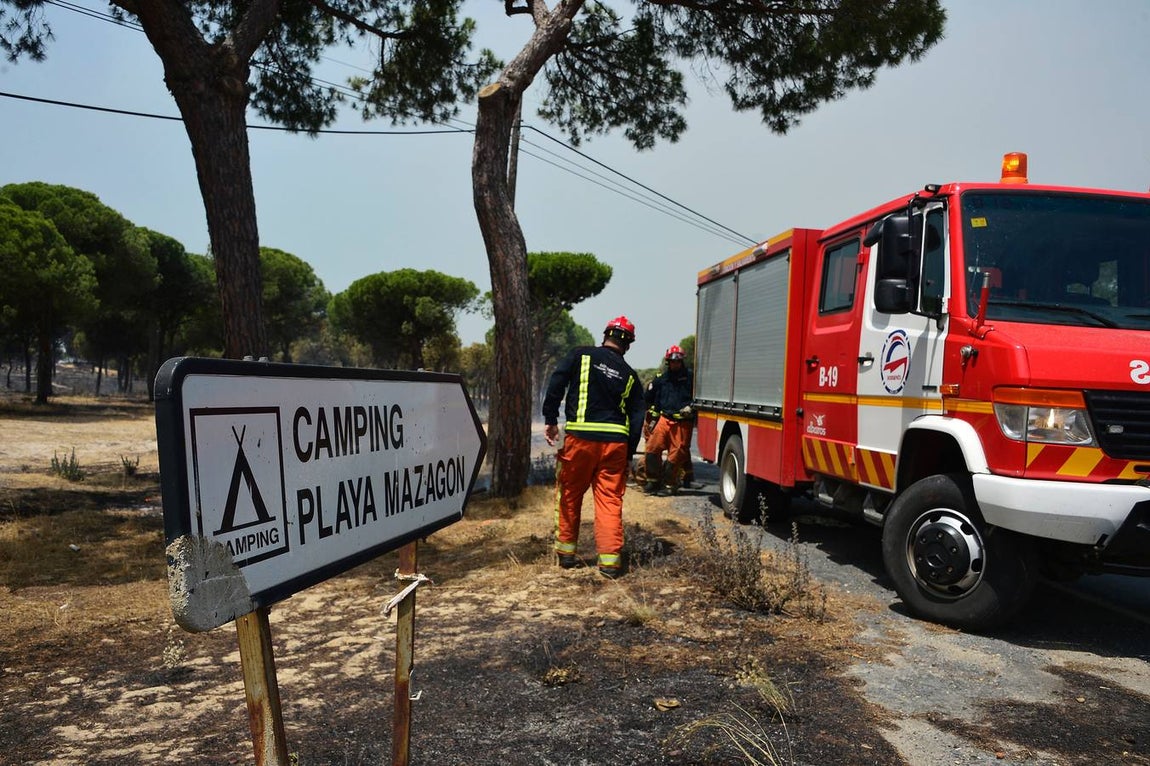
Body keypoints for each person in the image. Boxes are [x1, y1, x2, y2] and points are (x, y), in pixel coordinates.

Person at [542, 316, 646, 578]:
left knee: (569, 493)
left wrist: (551, 419)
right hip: (616, 444)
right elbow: (637, 418)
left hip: (580, 439)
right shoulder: (630, 376)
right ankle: (610, 564)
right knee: (610, 501)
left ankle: (566, 554)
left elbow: (557, 382)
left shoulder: (581, 355)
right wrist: (629, 454)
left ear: (605, 335)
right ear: (628, 345)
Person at [643, 344, 694, 495]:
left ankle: (669, 484)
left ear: (681, 361)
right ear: (668, 362)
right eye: (672, 361)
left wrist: (692, 407)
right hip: (664, 419)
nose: (675, 364)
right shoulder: (662, 379)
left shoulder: (691, 378)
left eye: (678, 361)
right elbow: (649, 397)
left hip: (682, 422)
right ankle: (653, 481)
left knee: (676, 454)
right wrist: (651, 417)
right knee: (652, 448)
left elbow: (700, 397)